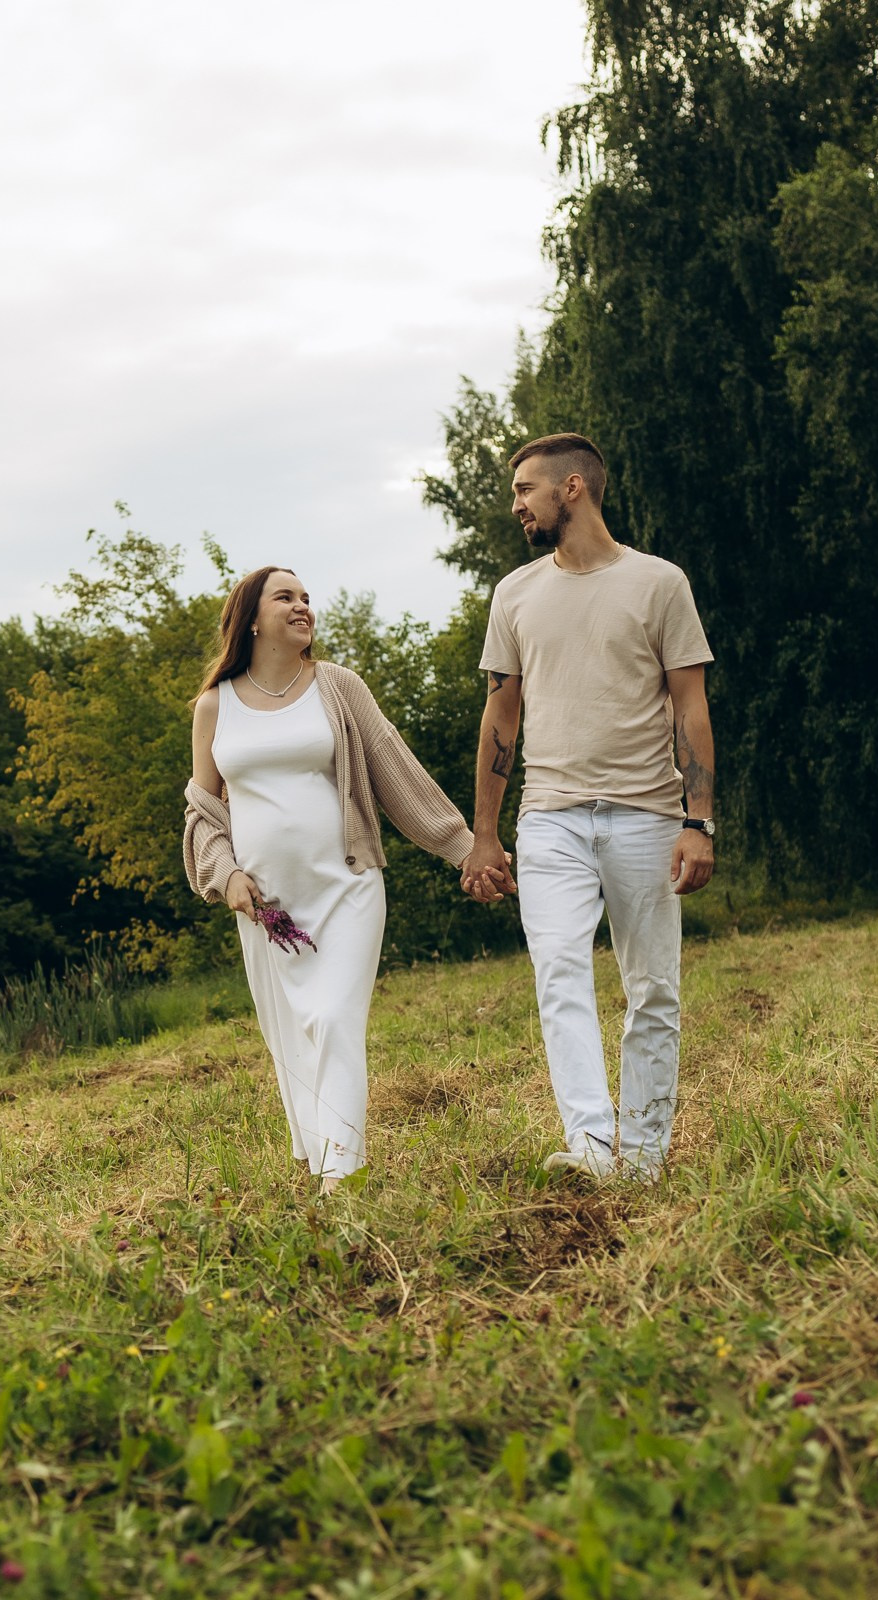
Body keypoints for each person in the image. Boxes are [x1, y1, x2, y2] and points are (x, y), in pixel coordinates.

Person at [459, 434, 717, 1181]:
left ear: (573, 488)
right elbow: (500, 718)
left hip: (646, 815)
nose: (516, 506)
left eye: (525, 491)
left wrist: (697, 822)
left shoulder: (659, 583)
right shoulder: (514, 594)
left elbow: (691, 709)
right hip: (550, 819)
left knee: (654, 988)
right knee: (559, 970)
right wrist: (485, 835)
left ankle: (643, 1155)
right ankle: (591, 1147)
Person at [182, 566, 475, 1194]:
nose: (302, 606)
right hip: (268, 906)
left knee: (335, 1018)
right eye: (285, 597)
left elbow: (397, 772)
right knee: (294, 1031)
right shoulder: (215, 706)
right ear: (252, 619)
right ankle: (323, 1159)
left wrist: (464, 849)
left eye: (307, 598)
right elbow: (204, 810)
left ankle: (343, 1179)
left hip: (347, 885)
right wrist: (224, 873)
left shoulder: (338, 687)